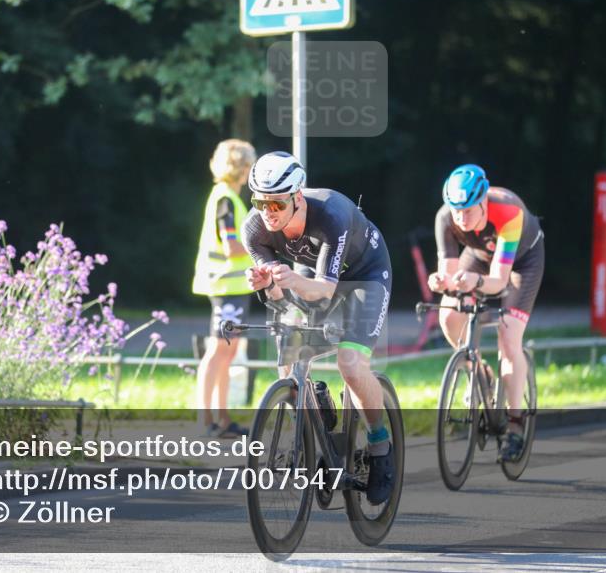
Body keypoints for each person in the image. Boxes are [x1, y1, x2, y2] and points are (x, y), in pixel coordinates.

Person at [240, 151, 396, 505]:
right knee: (288, 353)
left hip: (366, 274)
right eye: (260, 202)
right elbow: (280, 299)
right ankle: (313, 405)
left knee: (350, 364)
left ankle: (379, 444)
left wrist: (291, 279)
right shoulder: (254, 229)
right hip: (314, 272)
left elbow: (325, 290)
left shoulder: (331, 214)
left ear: (297, 196)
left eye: (276, 204)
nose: (267, 212)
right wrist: (266, 283)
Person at [428, 164, 544, 463]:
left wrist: (475, 282)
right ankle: (480, 372)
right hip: (479, 256)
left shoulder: (508, 211)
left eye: (468, 211)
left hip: (522, 263)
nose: (461, 218)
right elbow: (449, 275)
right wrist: (442, 281)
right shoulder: (445, 217)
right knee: (449, 314)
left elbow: (499, 282)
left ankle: (515, 423)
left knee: (508, 336)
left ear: (483, 202)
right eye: (456, 211)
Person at [192, 139, 258, 438]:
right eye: (249, 165)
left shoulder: (226, 197)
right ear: (242, 167)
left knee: (226, 352)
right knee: (219, 350)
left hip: (232, 286)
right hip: (226, 286)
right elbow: (231, 246)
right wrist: (261, 246)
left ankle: (221, 418)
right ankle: (207, 419)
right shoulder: (226, 199)